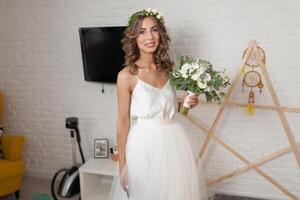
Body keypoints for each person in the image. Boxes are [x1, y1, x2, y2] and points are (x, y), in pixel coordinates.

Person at [109, 8, 208, 200]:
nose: (150, 37)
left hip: (173, 141)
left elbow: (172, 108)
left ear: (160, 34)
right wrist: (123, 165)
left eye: (154, 30)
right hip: (144, 144)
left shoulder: (168, 69)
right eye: (142, 32)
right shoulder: (126, 76)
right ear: (134, 38)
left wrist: (186, 103)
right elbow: (122, 122)